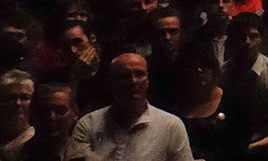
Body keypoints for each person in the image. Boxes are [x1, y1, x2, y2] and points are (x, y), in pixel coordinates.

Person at [66, 52, 194, 161]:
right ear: (111, 82)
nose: (133, 81)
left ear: (147, 80)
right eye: (124, 76)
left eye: (139, 74)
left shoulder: (171, 126)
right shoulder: (88, 125)